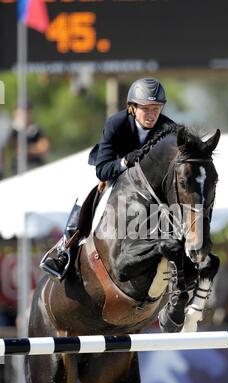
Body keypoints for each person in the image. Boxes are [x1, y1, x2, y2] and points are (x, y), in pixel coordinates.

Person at [41, 77, 175, 280]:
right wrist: (124, 162)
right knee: (86, 191)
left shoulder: (169, 130)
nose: (151, 114)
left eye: (156, 108)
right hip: (112, 173)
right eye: (146, 108)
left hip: (147, 185)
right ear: (132, 107)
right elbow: (102, 169)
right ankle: (65, 247)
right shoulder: (116, 123)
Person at [8, 106, 50, 174]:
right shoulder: (14, 132)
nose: (25, 114)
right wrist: (36, 147)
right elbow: (18, 150)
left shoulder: (36, 129)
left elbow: (45, 147)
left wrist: (28, 149)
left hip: (38, 165)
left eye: (27, 111)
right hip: (21, 168)